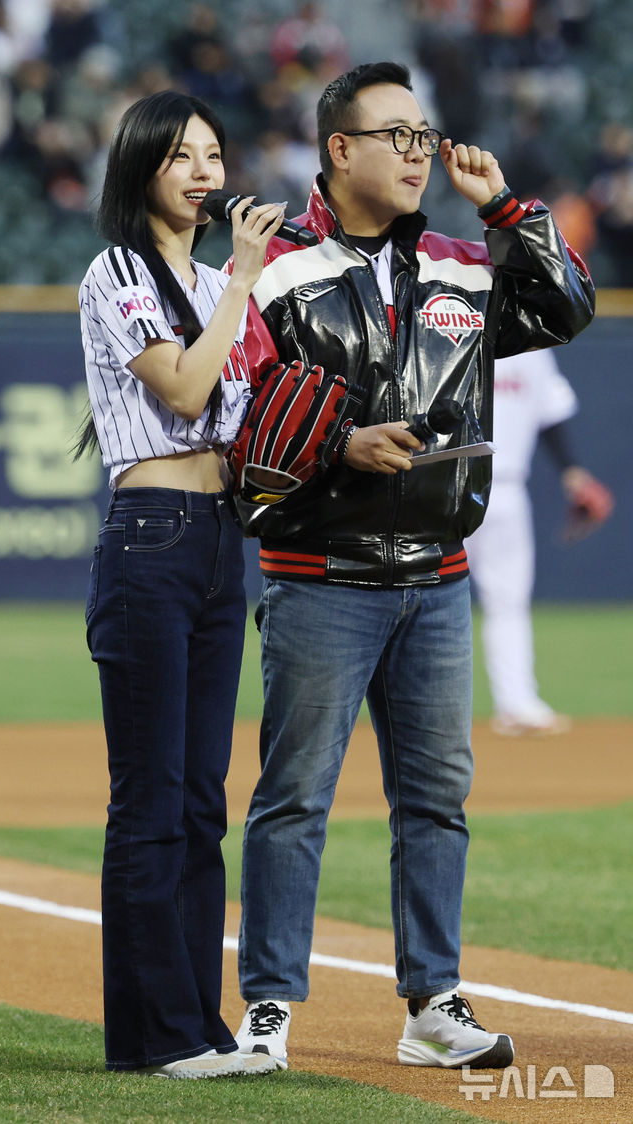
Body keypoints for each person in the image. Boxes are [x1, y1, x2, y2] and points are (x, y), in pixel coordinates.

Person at [226, 61, 594, 1070]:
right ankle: (269, 1009)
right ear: (339, 148)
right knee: (293, 801)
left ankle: (433, 1004)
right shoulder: (274, 268)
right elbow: (235, 420)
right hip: (320, 572)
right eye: (397, 135)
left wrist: (509, 209)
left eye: (424, 135)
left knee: (436, 802)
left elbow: (568, 310)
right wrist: (337, 444)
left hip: (437, 575)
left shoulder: (461, 263)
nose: (419, 152)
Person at [77, 90, 285, 1079]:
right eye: (181, 156)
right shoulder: (118, 270)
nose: (205, 172)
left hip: (217, 540)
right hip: (150, 536)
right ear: (141, 167)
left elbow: (246, 423)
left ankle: (195, 1027)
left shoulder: (216, 281)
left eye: (213, 154)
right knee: (152, 796)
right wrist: (243, 277)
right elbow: (187, 387)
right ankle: (156, 1036)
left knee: (203, 799)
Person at [466, 349, 614, 735]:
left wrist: (573, 473)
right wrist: (572, 472)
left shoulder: (532, 348)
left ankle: (517, 703)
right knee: (421, 597)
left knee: (508, 601)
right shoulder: (524, 340)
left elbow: (550, 412)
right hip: (446, 488)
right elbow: (553, 411)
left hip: (502, 487)